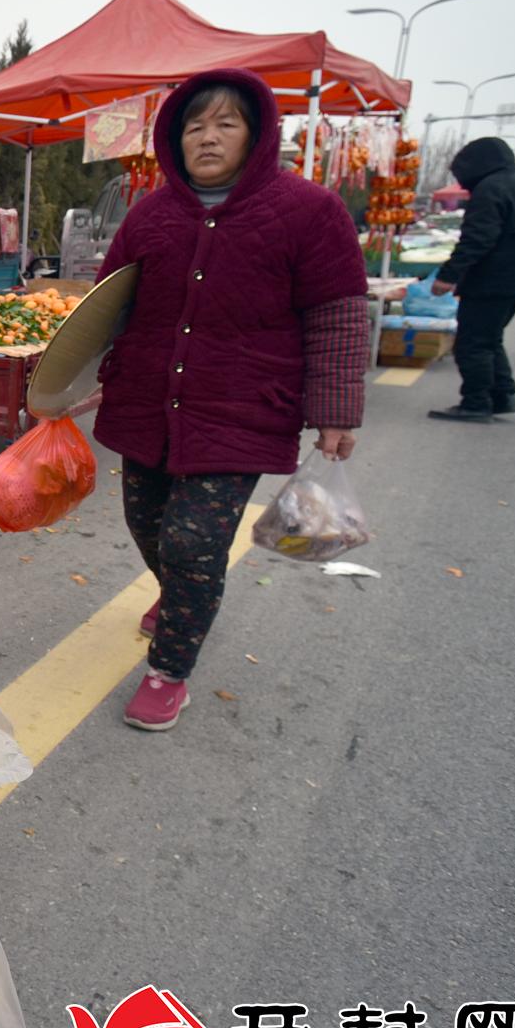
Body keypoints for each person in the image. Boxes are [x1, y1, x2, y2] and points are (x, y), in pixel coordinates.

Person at [95, 68, 369, 732]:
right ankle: (181, 596)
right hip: (145, 406)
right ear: (173, 137)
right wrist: (57, 384)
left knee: (193, 542)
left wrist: (335, 410)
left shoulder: (309, 212)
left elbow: (336, 314)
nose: (207, 137)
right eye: (194, 125)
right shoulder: (150, 215)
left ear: (257, 134)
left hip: (240, 409)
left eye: (225, 124)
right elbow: (106, 306)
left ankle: (169, 672)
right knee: (148, 526)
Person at [425, 136, 515, 422]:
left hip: (495, 279)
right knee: (490, 338)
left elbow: (477, 238)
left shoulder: (492, 188)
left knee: (473, 342)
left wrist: (448, 276)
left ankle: (476, 402)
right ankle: (503, 394)